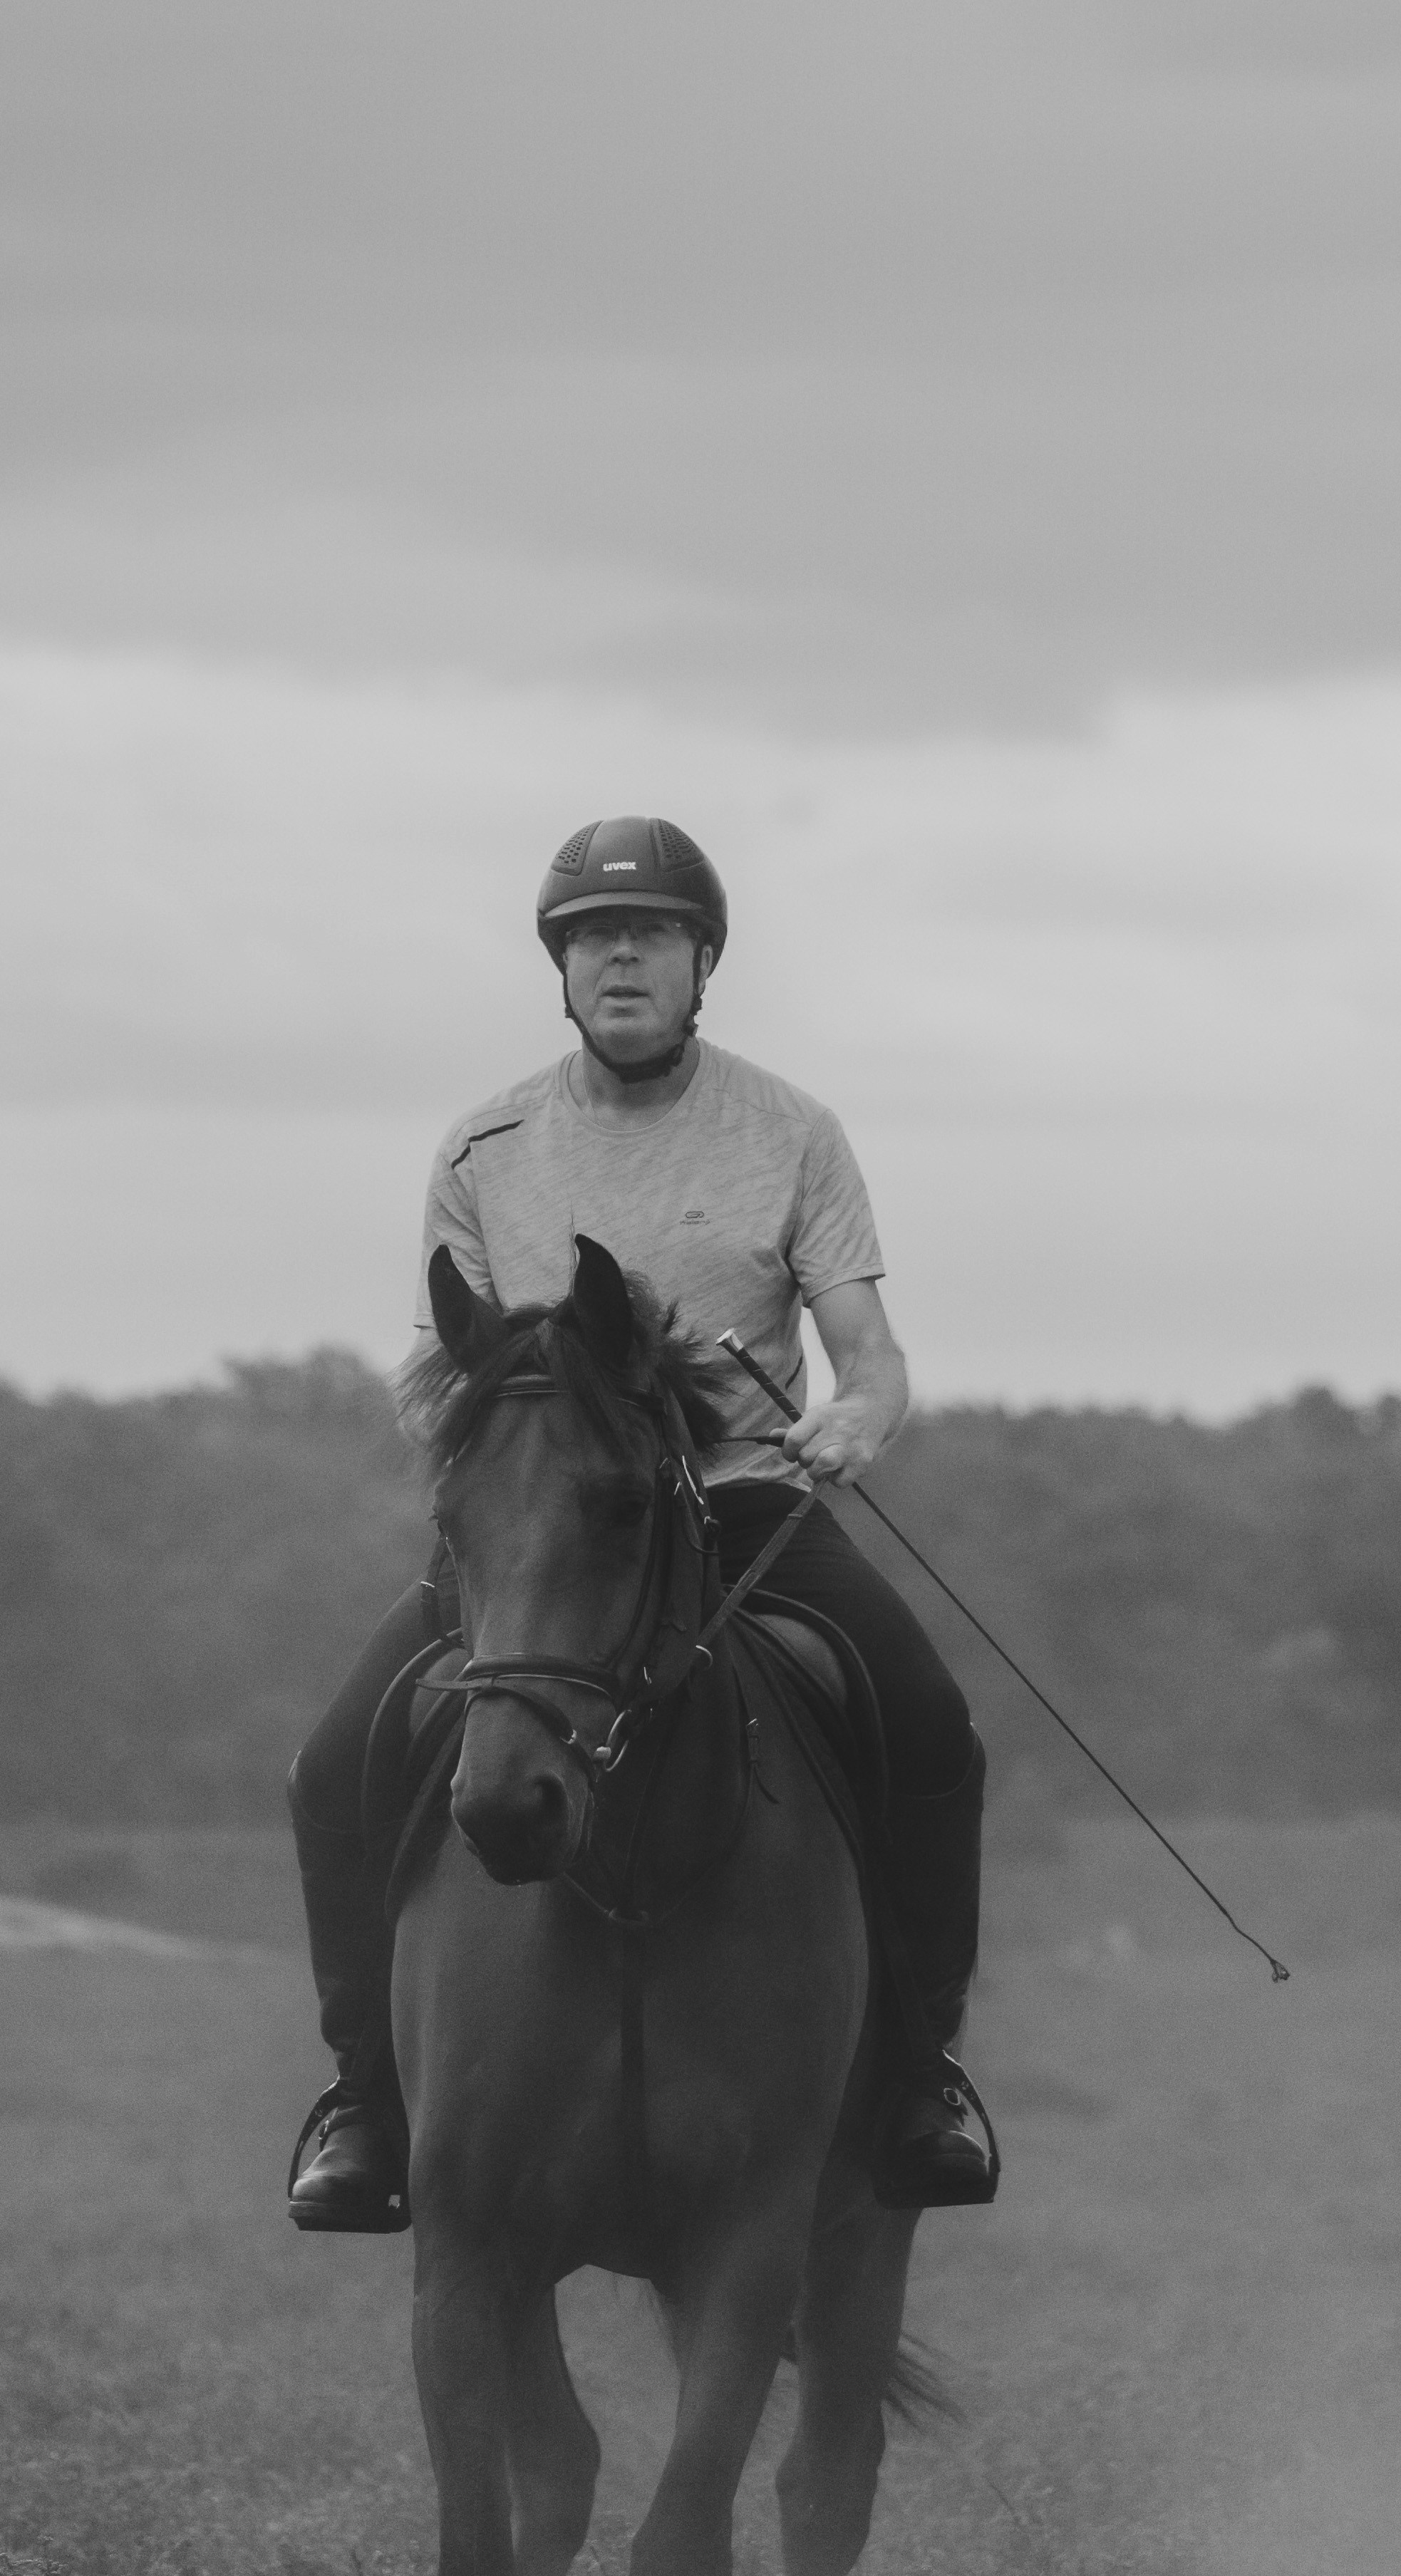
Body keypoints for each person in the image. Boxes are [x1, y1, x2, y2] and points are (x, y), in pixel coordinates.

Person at [284, 813, 997, 2230]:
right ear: (559, 968)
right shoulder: (486, 1146)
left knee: (928, 1727)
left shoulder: (791, 1131)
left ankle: (918, 2075)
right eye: (592, 936)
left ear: (700, 962)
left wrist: (850, 1424)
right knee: (328, 1768)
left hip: (741, 1507)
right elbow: (446, 1375)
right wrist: (498, 1473)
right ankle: (366, 2101)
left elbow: (872, 1356)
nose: (621, 956)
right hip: (550, 1542)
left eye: (652, 934)